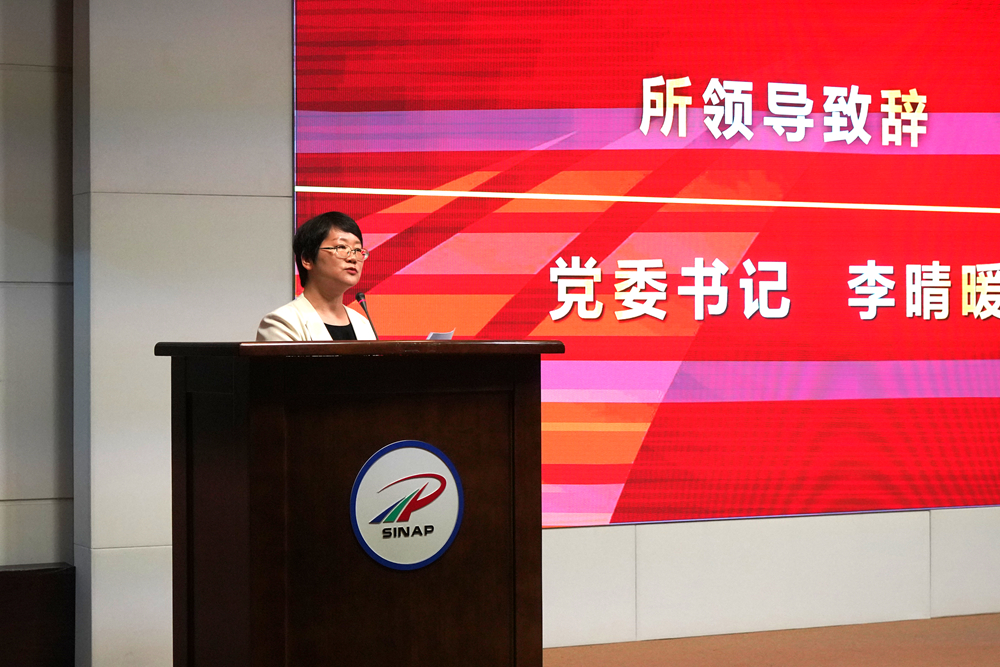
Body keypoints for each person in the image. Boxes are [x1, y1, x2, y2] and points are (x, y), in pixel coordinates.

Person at [256, 211, 377, 341]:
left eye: (357, 250)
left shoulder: (363, 324)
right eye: (341, 247)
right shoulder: (281, 323)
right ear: (307, 259)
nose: (353, 258)